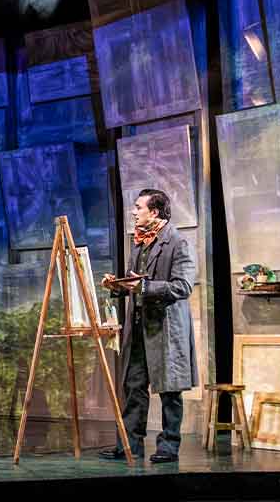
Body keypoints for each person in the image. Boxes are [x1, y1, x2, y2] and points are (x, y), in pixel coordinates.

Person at [97, 189, 198, 463]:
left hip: (165, 328)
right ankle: (130, 446)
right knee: (133, 386)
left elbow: (183, 286)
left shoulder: (177, 242)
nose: (134, 212)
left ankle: (168, 447)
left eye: (138, 207)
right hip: (139, 326)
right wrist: (117, 286)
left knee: (169, 391)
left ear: (154, 212)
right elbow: (135, 282)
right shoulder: (139, 242)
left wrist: (144, 287)